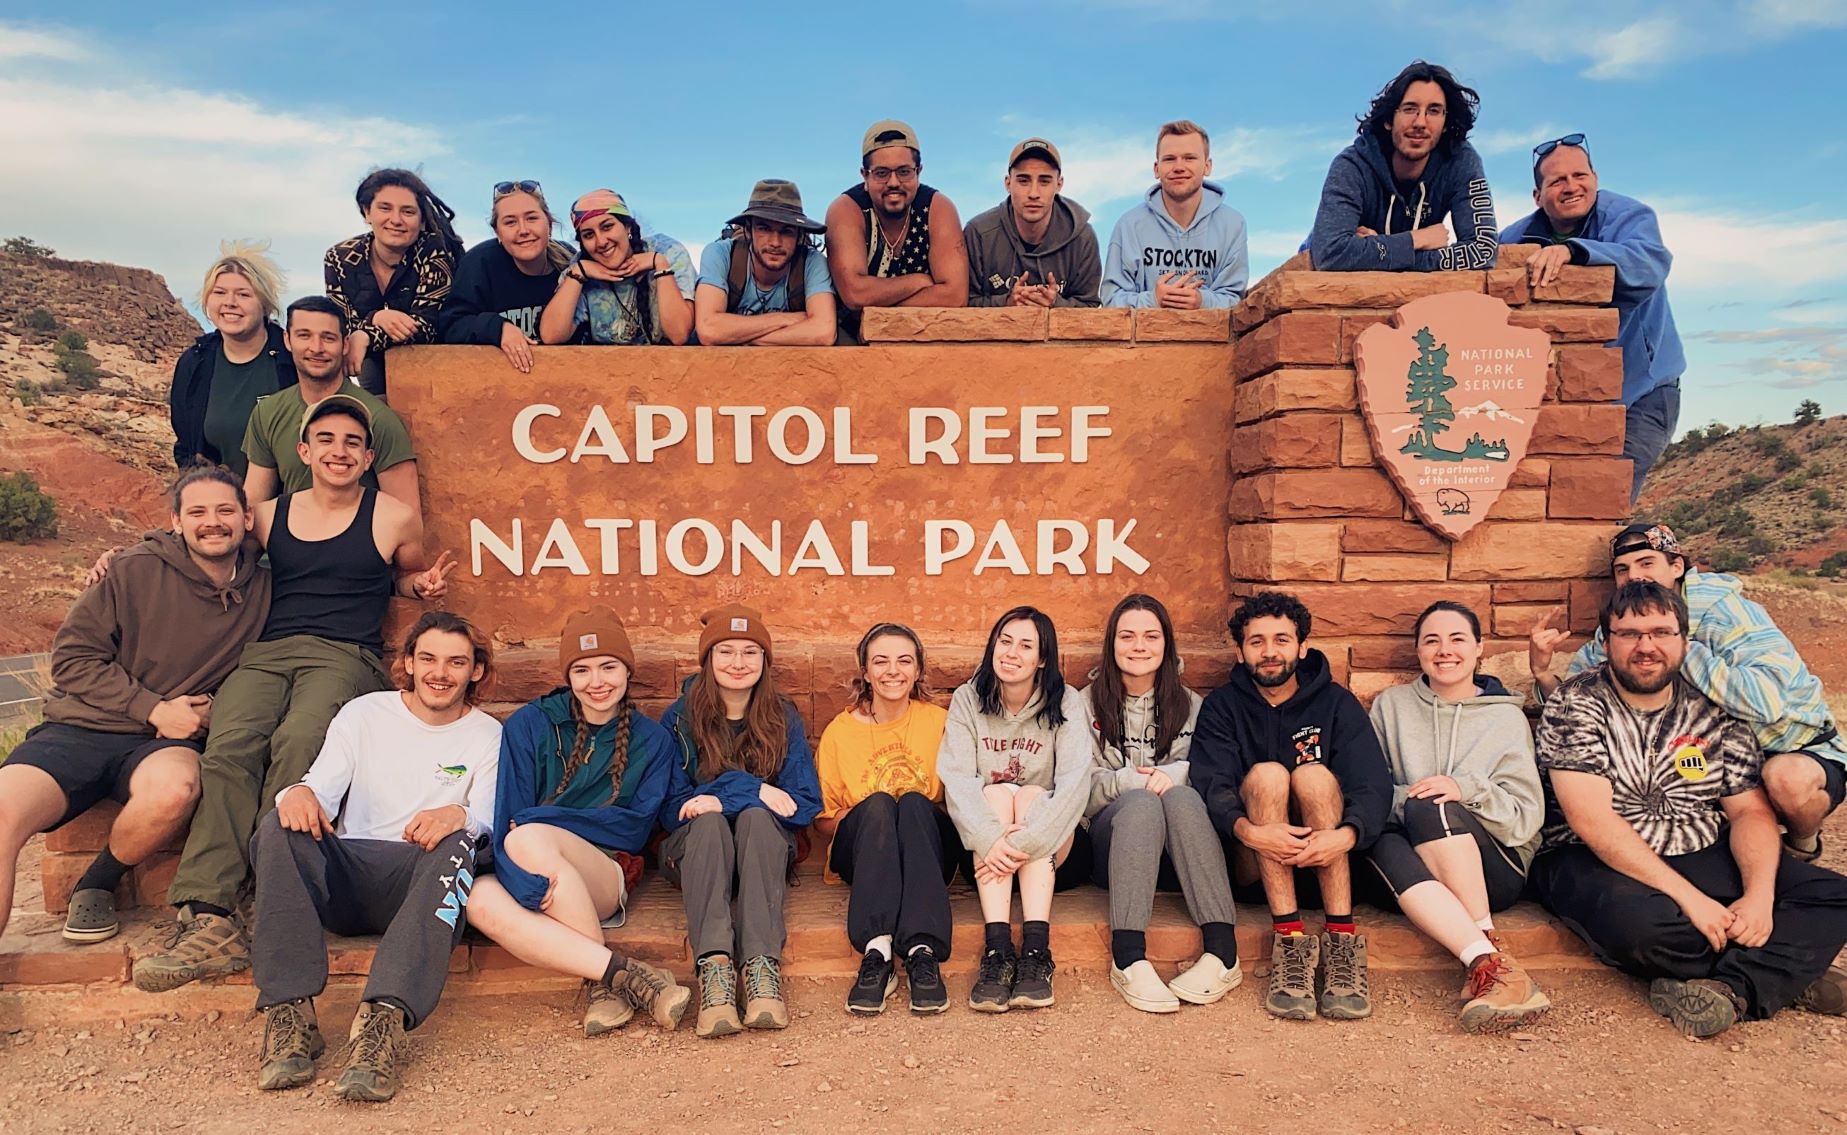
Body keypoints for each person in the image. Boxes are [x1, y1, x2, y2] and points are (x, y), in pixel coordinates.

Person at [131, 395, 454, 993]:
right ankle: (206, 908)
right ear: (304, 452)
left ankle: (264, 893)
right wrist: (123, 557)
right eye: (326, 440)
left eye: (352, 443)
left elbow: (404, 574)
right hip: (268, 651)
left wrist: (421, 584)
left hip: (345, 653)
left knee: (300, 742)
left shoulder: (393, 517)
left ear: (368, 456)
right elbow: (203, 548)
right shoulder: (268, 515)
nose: (339, 451)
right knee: (230, 747)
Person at [1530, 581, 1847, 1037]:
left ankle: (1727, 988)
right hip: (1591, 851)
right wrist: (1691, 900)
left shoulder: (1712, 707)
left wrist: (1759, 897)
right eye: (1629, 634)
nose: (1646, 646)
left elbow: (1748, 812)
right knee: (1648, 926)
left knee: (1832, 895)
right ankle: (1778, 976)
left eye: (1660, 632)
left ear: (1684, 640)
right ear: (1608, 642)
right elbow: (1592, 820)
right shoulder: (1576, 701)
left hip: (1696, 841)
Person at [0, 467, 270, 943]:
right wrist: (151, 707)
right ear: (176, 520)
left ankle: (98, 882)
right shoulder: (130, 569)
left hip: (159, 745)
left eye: (226, 510)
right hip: (79, 728)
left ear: (247, 518)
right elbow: (71, 659)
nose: (213, 522)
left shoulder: (266, 587)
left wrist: (214, 707)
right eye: (198, 512)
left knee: (177, 790)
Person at [250, 612, 500, 1102]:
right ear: (407, 662)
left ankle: (381, 1025)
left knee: (461, 844)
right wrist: (299, 792)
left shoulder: (486, 734)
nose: (440, 672)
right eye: (427, 658)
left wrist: (459, 814)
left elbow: (488, 816)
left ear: (475, 672)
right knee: (280, 821)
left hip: (418, 880)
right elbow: (321, 788)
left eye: (456, 662)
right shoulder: (364, 714)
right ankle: (289, 1014)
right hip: (346, 873)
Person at [1530, 523, 1846, 861]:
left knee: (1787, 781)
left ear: (1677, 566)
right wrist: (1542, 672)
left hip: (1785, 745)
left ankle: (1803, 842)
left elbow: (1767, 702)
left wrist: (1680, 651)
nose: (1634, 576)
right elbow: (1578, 701)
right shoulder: (1629, 622)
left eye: (1646, 563)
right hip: (1712, 757)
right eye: (1623, 570)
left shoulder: (1725, 612)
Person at [462, 607, 690, 1037]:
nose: (597, 682)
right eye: (582, 670)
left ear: (627, 670)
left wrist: (543, 820)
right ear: (568, 676)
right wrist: (520, 880)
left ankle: (600, 985)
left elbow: (634, 829)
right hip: (531, 870)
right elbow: (505, 814)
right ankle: (619, 978)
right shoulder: (530, 725)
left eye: (609, 667)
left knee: (529, 835)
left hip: (603, 872)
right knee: (475, 899)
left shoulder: (653, 740)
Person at [1191, 590, 1392, 1022]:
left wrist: (1346, 834)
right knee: (1268, 775)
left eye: (1281, 640)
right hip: (1256, 862)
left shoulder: (1335, 703)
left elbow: (1372, 783)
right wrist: (1250, 830)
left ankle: (1340, 942)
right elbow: (1211, 783)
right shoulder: (1223, 707)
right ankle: (1291, 946)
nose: (1269, 652)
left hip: (1330, 860)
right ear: (1241, 650)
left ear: (1302, 646)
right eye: (1257, 641)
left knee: (1313, 774)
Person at [1366, 601, 1550, 1033]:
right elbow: (1371, 792)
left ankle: (1489, 945)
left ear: (1479, 648)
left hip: (1494, 870)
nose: (1444, 650)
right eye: (1431, 640)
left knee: (1433, 805)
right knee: (1384, 834)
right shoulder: (1390, 707)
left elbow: (1526, 818)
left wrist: (1465, 789)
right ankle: (1491, 965)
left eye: (1457, 639)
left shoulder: (1506, 716)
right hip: (1413, 861)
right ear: (1417, 650)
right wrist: (1418, 797)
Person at [658, 604, 820, 1038]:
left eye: (750, 652)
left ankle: (762, 970)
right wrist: (751, 789)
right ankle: (715, 971)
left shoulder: (781, 716)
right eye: (725, 651)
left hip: (761, 855)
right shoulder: (678, 719)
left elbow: (804, 803)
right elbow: (672, 808)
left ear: (764, 662)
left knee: (756, 819)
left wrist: (732, 797)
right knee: (710, 824)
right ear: (707, 660)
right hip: (697, 856)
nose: (737, 663)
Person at [1081, 594, 1241, 1014]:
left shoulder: (1192, 706)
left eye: (1151, 636)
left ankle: (1223, 952)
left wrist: (1173, 776)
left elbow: (1212, 774)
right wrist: (1128, 782)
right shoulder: (1083, 704)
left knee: (1184, 794)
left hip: (1180, 856)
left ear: (1167, 645)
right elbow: (1077, 792)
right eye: (1127, 636)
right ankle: (1129, 956)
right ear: (1111, 644)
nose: (1139, 646)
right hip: (1112, 848)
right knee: (1140, 804)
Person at [1501, 136, 1684, 499]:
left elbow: (1649, 264)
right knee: (1549, 503)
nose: (1571, 187)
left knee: (1603, 501)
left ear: (1595, 179)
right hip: (1566, 403)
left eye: (1579, 175)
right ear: (1538, 197)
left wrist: (1575, 253)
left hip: (1641, 394)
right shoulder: (1515, 238)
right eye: (1557, 181)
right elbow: (1479, 278)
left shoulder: (1630, 216)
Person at [938, 605, 1093, 1013]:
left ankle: (1037, 953)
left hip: (1050, 850)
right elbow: (956, 778)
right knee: (995, 795)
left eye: (1026, 646)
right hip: (988, 855)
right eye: (1005, 641)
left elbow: (1076, 784)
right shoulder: (968, 699)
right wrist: (991, 838)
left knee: (1029, 797)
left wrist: (1026, 839)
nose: (1011, 652)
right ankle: (997, 952)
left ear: (1042, 659)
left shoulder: (1066, 702)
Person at [814, 623, 954, 1015]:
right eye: (881, 661)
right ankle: (877, 951)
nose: (893, 670)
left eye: (904, 660)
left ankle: (922, 951)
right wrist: (879, 825)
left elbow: (956, 802)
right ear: (865, 671)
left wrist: (904, 822)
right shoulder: (839, 733)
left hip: (926, 849)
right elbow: (823, 820)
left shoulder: (939, 723)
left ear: (918, 671)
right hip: (863, 855)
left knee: (911, 802)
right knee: (878, 804)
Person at [1308, 61, 1498, 273]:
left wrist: (1389, 250)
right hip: (1320, 263)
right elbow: (1330, 254)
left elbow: (1484, 251)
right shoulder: (1352, 166)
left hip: (1371, 255)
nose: (1420, 122)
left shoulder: (1461, 161)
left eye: (1434, 111)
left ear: (1446, 122)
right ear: (1389, 119)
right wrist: (1416, 239)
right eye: (1410, 109)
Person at [243, 297, 419, 520]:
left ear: (345, 344)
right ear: (287, 340)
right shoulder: (267, 413)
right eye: (304, 336)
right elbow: (254, 507)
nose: (316, 348)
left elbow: (407, 517)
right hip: (291, 549)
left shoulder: (377, 418)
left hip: (361, 550)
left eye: (328, 338)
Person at [324, 167, 464, 397]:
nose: (396, 220)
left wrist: (368, 332)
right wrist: (377, 319)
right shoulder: (338, 258)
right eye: (385, 208)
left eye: (408, 211)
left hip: (432, 366)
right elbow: (344, 326)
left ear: (421, 221)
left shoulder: (435, 250)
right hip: (371, 365)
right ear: (367, 212)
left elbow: (427, 326)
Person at [824, 120, 969, 341]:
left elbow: (955, 295)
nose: (893, 182)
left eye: (904, 172)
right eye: (881, 173)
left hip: (924, 335)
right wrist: (918, 281)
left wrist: (876, 309)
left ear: (918, 171)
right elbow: (854, 295)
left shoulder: (938, 207)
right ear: (865, 175)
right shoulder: (846, 209)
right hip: (853, 338)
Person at [170, 242, 295, 476]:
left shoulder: (292, 356)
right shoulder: (194, 363)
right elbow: (186, 445)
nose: (230, 302)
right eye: (219, 293)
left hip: (291, 503)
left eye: (243, 294)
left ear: (265, 304)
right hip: (226, 505)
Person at [1101, 120, 1249, 309]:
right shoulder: (1129, 225)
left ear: (1207, 166)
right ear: (1157, 169)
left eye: (1189, 158)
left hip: (1210, 337)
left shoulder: (1233, 225)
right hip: (1146, 336)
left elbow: (1237, 300)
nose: (1179, 167)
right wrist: (1153, 300)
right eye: (1170, 159)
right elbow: (1111, 299)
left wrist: (1202, 301)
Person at [439, 180, 576, 373]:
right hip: (499, 383)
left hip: (564, 380)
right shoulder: (480, 262)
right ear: (498, 233)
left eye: (531, 218)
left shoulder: (571, 263)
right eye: (510, 222)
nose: (523, 230)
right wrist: (498, 328)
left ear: (549, 225)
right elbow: (450, 324)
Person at [539, 190, 695, 347]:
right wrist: (577, 275)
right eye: (588, 235)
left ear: (627, 227)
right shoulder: (580, 267)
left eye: (607, 227)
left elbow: (679, 334)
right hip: (612, 370)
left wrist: (661, 266)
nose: (601, 242)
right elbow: (551, 335)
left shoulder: (667, 251)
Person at [694, 179, 838, 346]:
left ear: (799, 235)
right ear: (748, 229)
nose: (775, 242)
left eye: (787, 231)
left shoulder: (812, 262)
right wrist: (783, 319)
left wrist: (739, 338)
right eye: (764, 228)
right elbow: (709, 330)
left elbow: (823, 332)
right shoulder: (720, 254)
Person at [964, 138, 1101, 308]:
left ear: (1059, 184)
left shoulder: (1082, 237)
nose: (1033, 193)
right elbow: (962, 304)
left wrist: (1056, 304)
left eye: (1044, 181)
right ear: (1008, 183)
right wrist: (1007, 303)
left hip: (1059, 335)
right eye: (1023, 180)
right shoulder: (979, 233)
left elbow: (1091, 308)